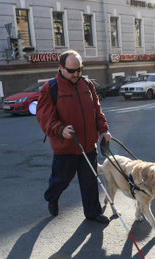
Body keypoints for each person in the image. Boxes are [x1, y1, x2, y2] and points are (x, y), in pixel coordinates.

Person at [36, 50, 111, 223]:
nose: (77, 74)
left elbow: (96, 110)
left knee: (90, 182)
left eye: (80, 69)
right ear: (61, 68)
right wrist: (59, 129)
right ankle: (52, 198)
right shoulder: (50, 88)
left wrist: (103, 129)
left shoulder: (87, 84)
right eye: (72, 71)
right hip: (66, 147)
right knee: (61, 180)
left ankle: (93, 213)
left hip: (87, 145)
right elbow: (44, 116)